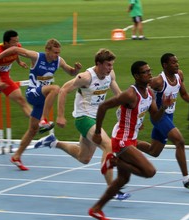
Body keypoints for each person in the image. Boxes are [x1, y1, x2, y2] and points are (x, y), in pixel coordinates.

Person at [34, 48, 130, 201]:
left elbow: (118, 94)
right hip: (83, 118)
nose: (110, 68)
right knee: (108, 146)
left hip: (96, 118)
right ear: (98, 64)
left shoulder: (110, 74)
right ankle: (112, 189)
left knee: (83, 158)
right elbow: (64, 90)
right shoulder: (85, 77)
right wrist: (60, 115)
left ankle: (53, 142)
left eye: (112, 65)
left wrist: (129, 107)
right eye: (107, 65)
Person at [88, 61, 172, 220]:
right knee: (149, 171)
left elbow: (155, 117)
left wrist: (163, 108)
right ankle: (114, 161)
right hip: (121, 140)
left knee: (122, 180)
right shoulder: (130, 95)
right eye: (145, 72)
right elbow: (103, 107)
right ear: (136, 76)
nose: (149, 74)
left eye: (150, 71)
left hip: (130, 139)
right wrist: (98, 132)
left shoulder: (150, 94)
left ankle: (96, 209)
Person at [0, 38, 82, 171]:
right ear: (47, 50)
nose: (57, 55)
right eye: (55, 52)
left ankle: (16, 156)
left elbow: (71, 72)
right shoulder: (37, 57)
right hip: (32, 93)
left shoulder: (59, 61)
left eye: (58, 52)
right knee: (55, 88)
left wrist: (76, 69)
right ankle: (44, 120)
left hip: (43, 100)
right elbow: (15, 49)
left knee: (33, 129)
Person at [137, 53, 189, 191]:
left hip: (169, 116)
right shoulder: (158, 81)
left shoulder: (179, 75)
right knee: (180, 141)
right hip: (159, 117)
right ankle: (186, 179)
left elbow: (183, 93)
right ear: (165, 65)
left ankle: (130, 143)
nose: (177, 64)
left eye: (177, 62)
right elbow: (142, 88)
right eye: (173, 63)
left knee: (154, 151)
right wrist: (139, 116)